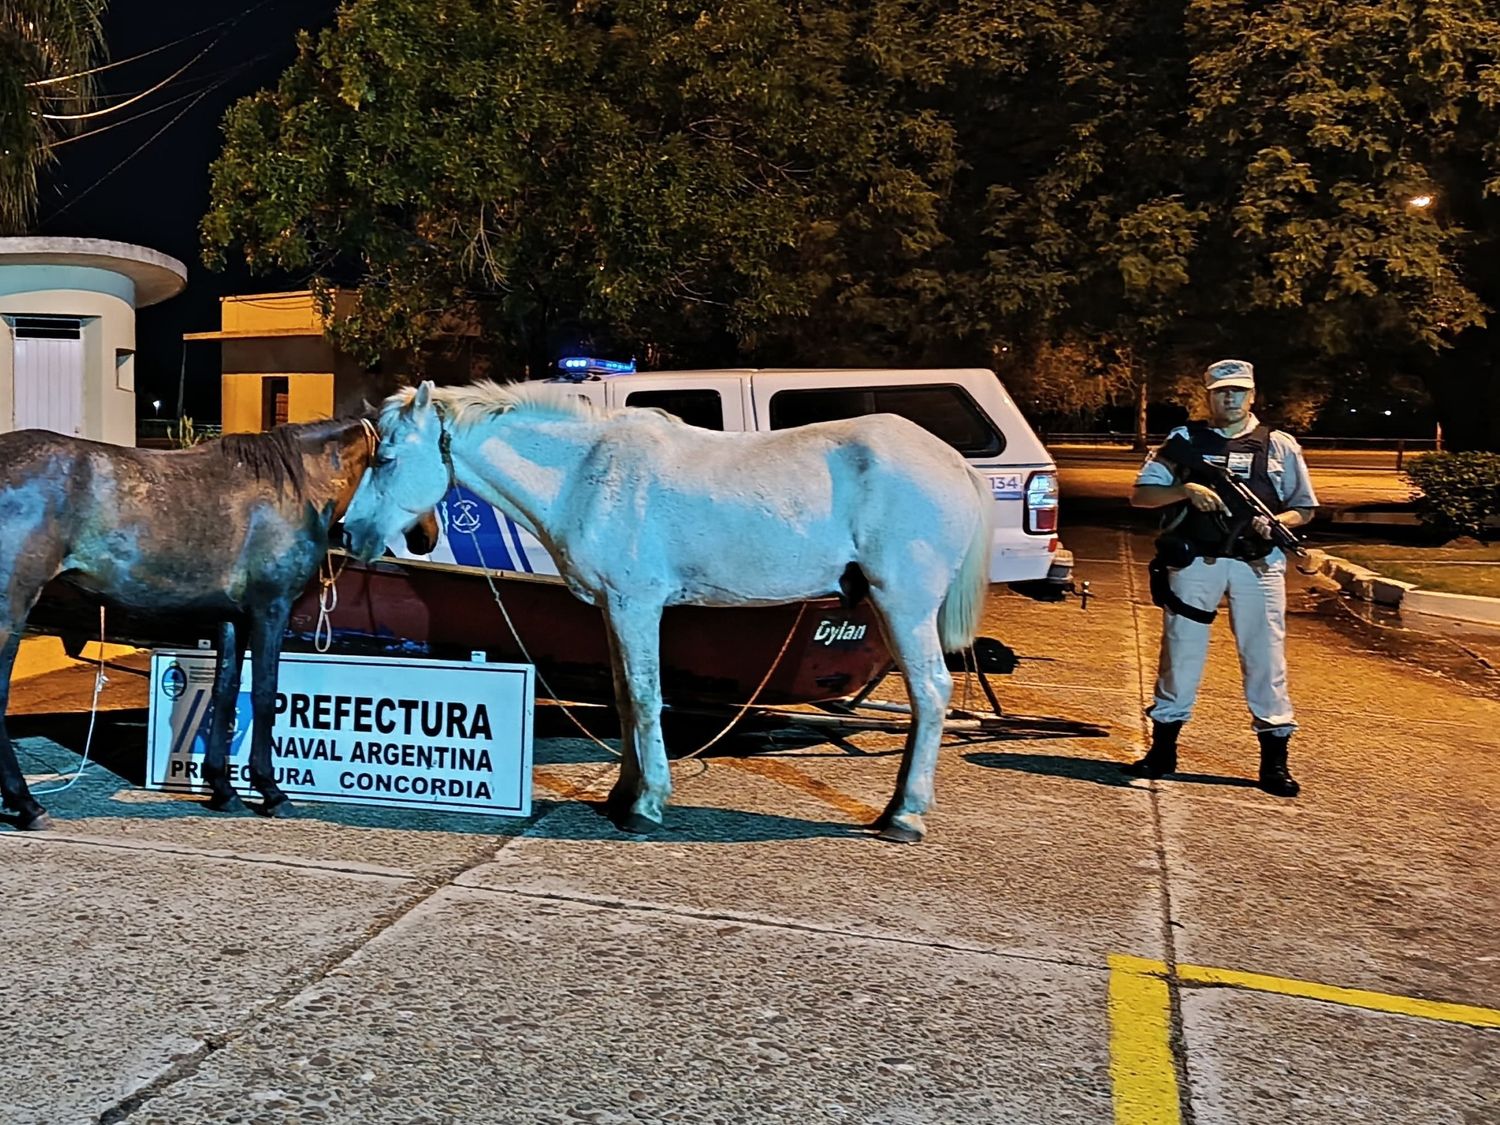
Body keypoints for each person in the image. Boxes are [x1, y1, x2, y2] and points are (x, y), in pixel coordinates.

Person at [1124, 359, 1318, 796]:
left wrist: (1277, 522)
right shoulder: (1183, 441)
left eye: (1238, 391)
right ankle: (1163, 750)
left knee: (1265, 659)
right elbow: (1140, 495)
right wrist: (1185, 489)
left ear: (1252, 395)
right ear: (1208, 395)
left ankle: (1274, 761)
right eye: (1221, 391)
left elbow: (1303, 507)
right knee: (1180, 653)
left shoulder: (1280, 445)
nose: (1229, 399)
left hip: (1257, 565)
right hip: (1197, 563)